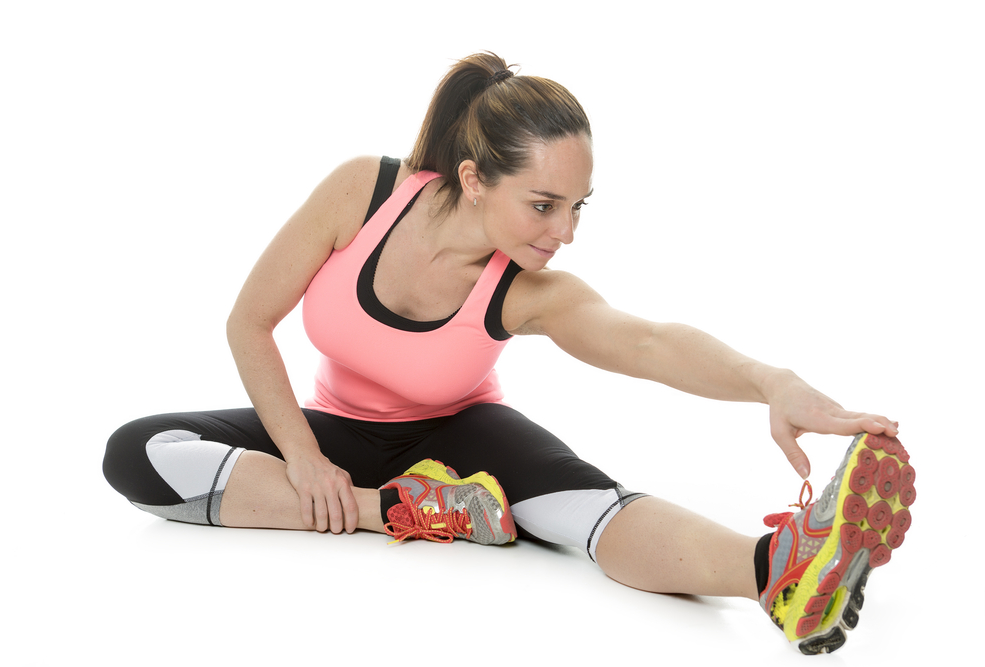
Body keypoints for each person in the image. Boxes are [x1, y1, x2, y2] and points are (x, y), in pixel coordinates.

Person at [103, 52, 915, 654]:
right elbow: (248, 321)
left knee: (588, 510)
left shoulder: (526, 290)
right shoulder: (364, 192)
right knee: (138, 452)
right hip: (334, 430)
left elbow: (648, 340)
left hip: (465, 438)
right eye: (544, 204)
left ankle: (779, 568)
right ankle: (400, 508)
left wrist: (771, 381)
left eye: (577, 207)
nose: (564, 232)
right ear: (474, 177)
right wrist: (308, 461)